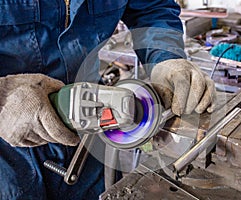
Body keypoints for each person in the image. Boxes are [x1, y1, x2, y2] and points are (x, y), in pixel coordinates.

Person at [0, 0, 216, 199]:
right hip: (8, 155)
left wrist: (165, 58)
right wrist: (3, 96)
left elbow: (152, 9)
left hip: (92, 130)